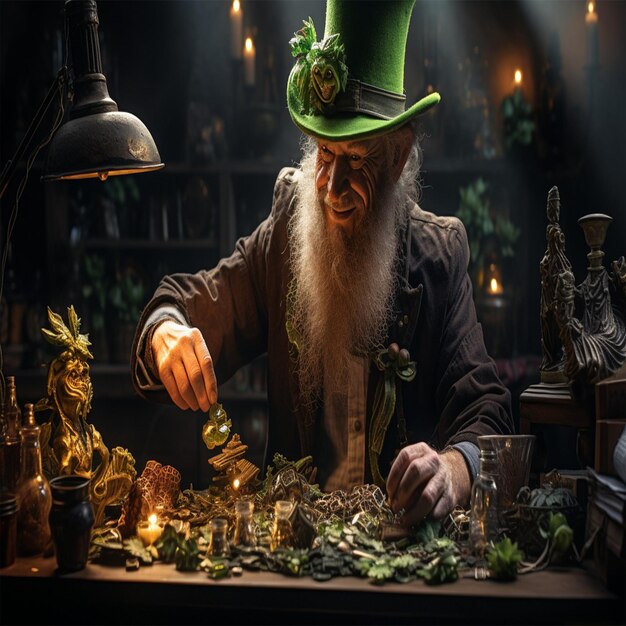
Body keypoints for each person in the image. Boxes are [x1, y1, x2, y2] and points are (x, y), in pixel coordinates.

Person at [131, 0, 513, 527]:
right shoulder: (284, 238)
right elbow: (179, 301)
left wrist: (452, 467)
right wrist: (166, 331)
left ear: (398, 157)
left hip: (398, 563)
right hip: (296, 560)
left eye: (356, 160)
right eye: (324, 156)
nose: (332, 189)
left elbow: (489, 410)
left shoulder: (439, 256)